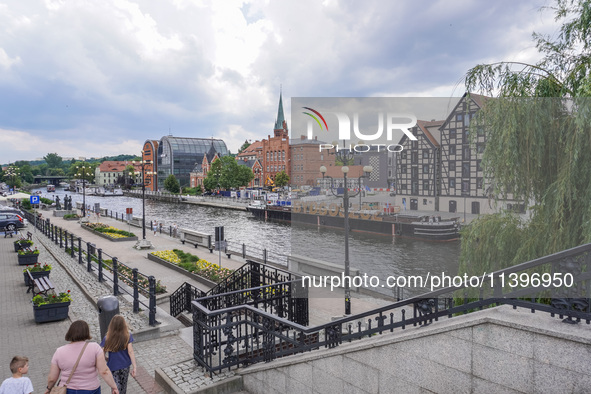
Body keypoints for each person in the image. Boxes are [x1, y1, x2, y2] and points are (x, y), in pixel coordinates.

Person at [45, 320, 119, 394]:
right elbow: (104, 371)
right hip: (91, 389)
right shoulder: (95, 348)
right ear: (86, 332)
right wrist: (114, 387)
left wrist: (49, 389)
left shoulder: (59, 351)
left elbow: (52, 378)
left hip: (68, 390)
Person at [100, 315, 137, 394]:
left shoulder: (107, 338)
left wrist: (105, 360)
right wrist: (134, 366)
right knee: (123, 387)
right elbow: (130, 351)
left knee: (115, 388)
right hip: (125, 366)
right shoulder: (128, 335)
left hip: (113, 366)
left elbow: (101, 352)